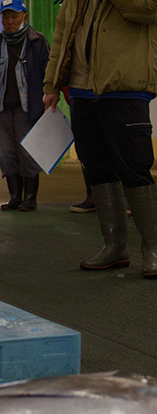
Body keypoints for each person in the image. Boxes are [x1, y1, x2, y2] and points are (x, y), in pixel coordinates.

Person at [43, 0, 157, 278]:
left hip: (125, 87)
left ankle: (153, 249)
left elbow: (148, 11)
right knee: (97, 168)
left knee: (134, 167)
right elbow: (61, 37)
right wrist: (52, 85)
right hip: (82, 92)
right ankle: (115, 246)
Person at [0, 0, 49, 212]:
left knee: (28, 153)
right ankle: (15, 196)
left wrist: (47, 101)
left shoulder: (38, 41)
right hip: (1, 110)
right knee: (6, 154)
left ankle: (30, 197)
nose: (9, 21)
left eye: (14, 17)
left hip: (29, 109)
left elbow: (48, 74)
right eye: (5, 17)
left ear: (24, 17)